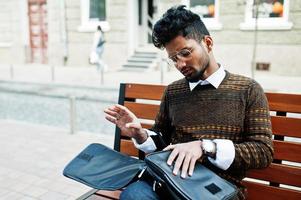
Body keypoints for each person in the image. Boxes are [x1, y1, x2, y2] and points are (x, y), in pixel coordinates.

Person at [104, 5, 273, 200]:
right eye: (173, 59)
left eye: (185, 53)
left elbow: (263, 152)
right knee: (134, 195)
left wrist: (205, 147)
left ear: (208, 43)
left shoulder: (248, 89)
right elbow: (162, 139)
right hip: (170, 182)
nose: (180, 65)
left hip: (216, 191)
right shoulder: (173, 91)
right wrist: (141, 135)